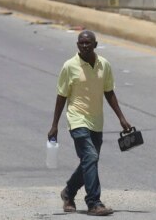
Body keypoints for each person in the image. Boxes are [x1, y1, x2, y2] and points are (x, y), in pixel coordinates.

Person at [47, 30, 131, 216]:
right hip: (77, 119)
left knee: (89, 160)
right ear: (77, 45)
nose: (84, 46)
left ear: (95, 44)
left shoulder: (104, 65)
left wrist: (121, 118)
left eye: (88, 43)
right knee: (90, 158)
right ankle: (94, 202)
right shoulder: (70, 66)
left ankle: (68, 193)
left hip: (96, 121)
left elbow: (109, 92)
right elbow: (61, 96)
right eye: (81, 43)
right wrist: (55, 125)